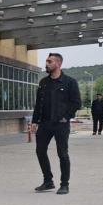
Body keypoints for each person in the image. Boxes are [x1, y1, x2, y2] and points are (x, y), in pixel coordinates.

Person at [31, 52, 80, 195]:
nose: (46, 64)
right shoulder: (43, 83)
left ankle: (64, 184)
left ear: (58, 64)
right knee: (40, 151)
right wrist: (35, 121)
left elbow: (77, 103)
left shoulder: (70, 82)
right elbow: (38, 104)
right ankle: (48, 181)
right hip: (44, 124)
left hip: (61, 124)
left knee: (62, 153)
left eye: (49, 61)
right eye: (46, 61)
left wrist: (66, 117)